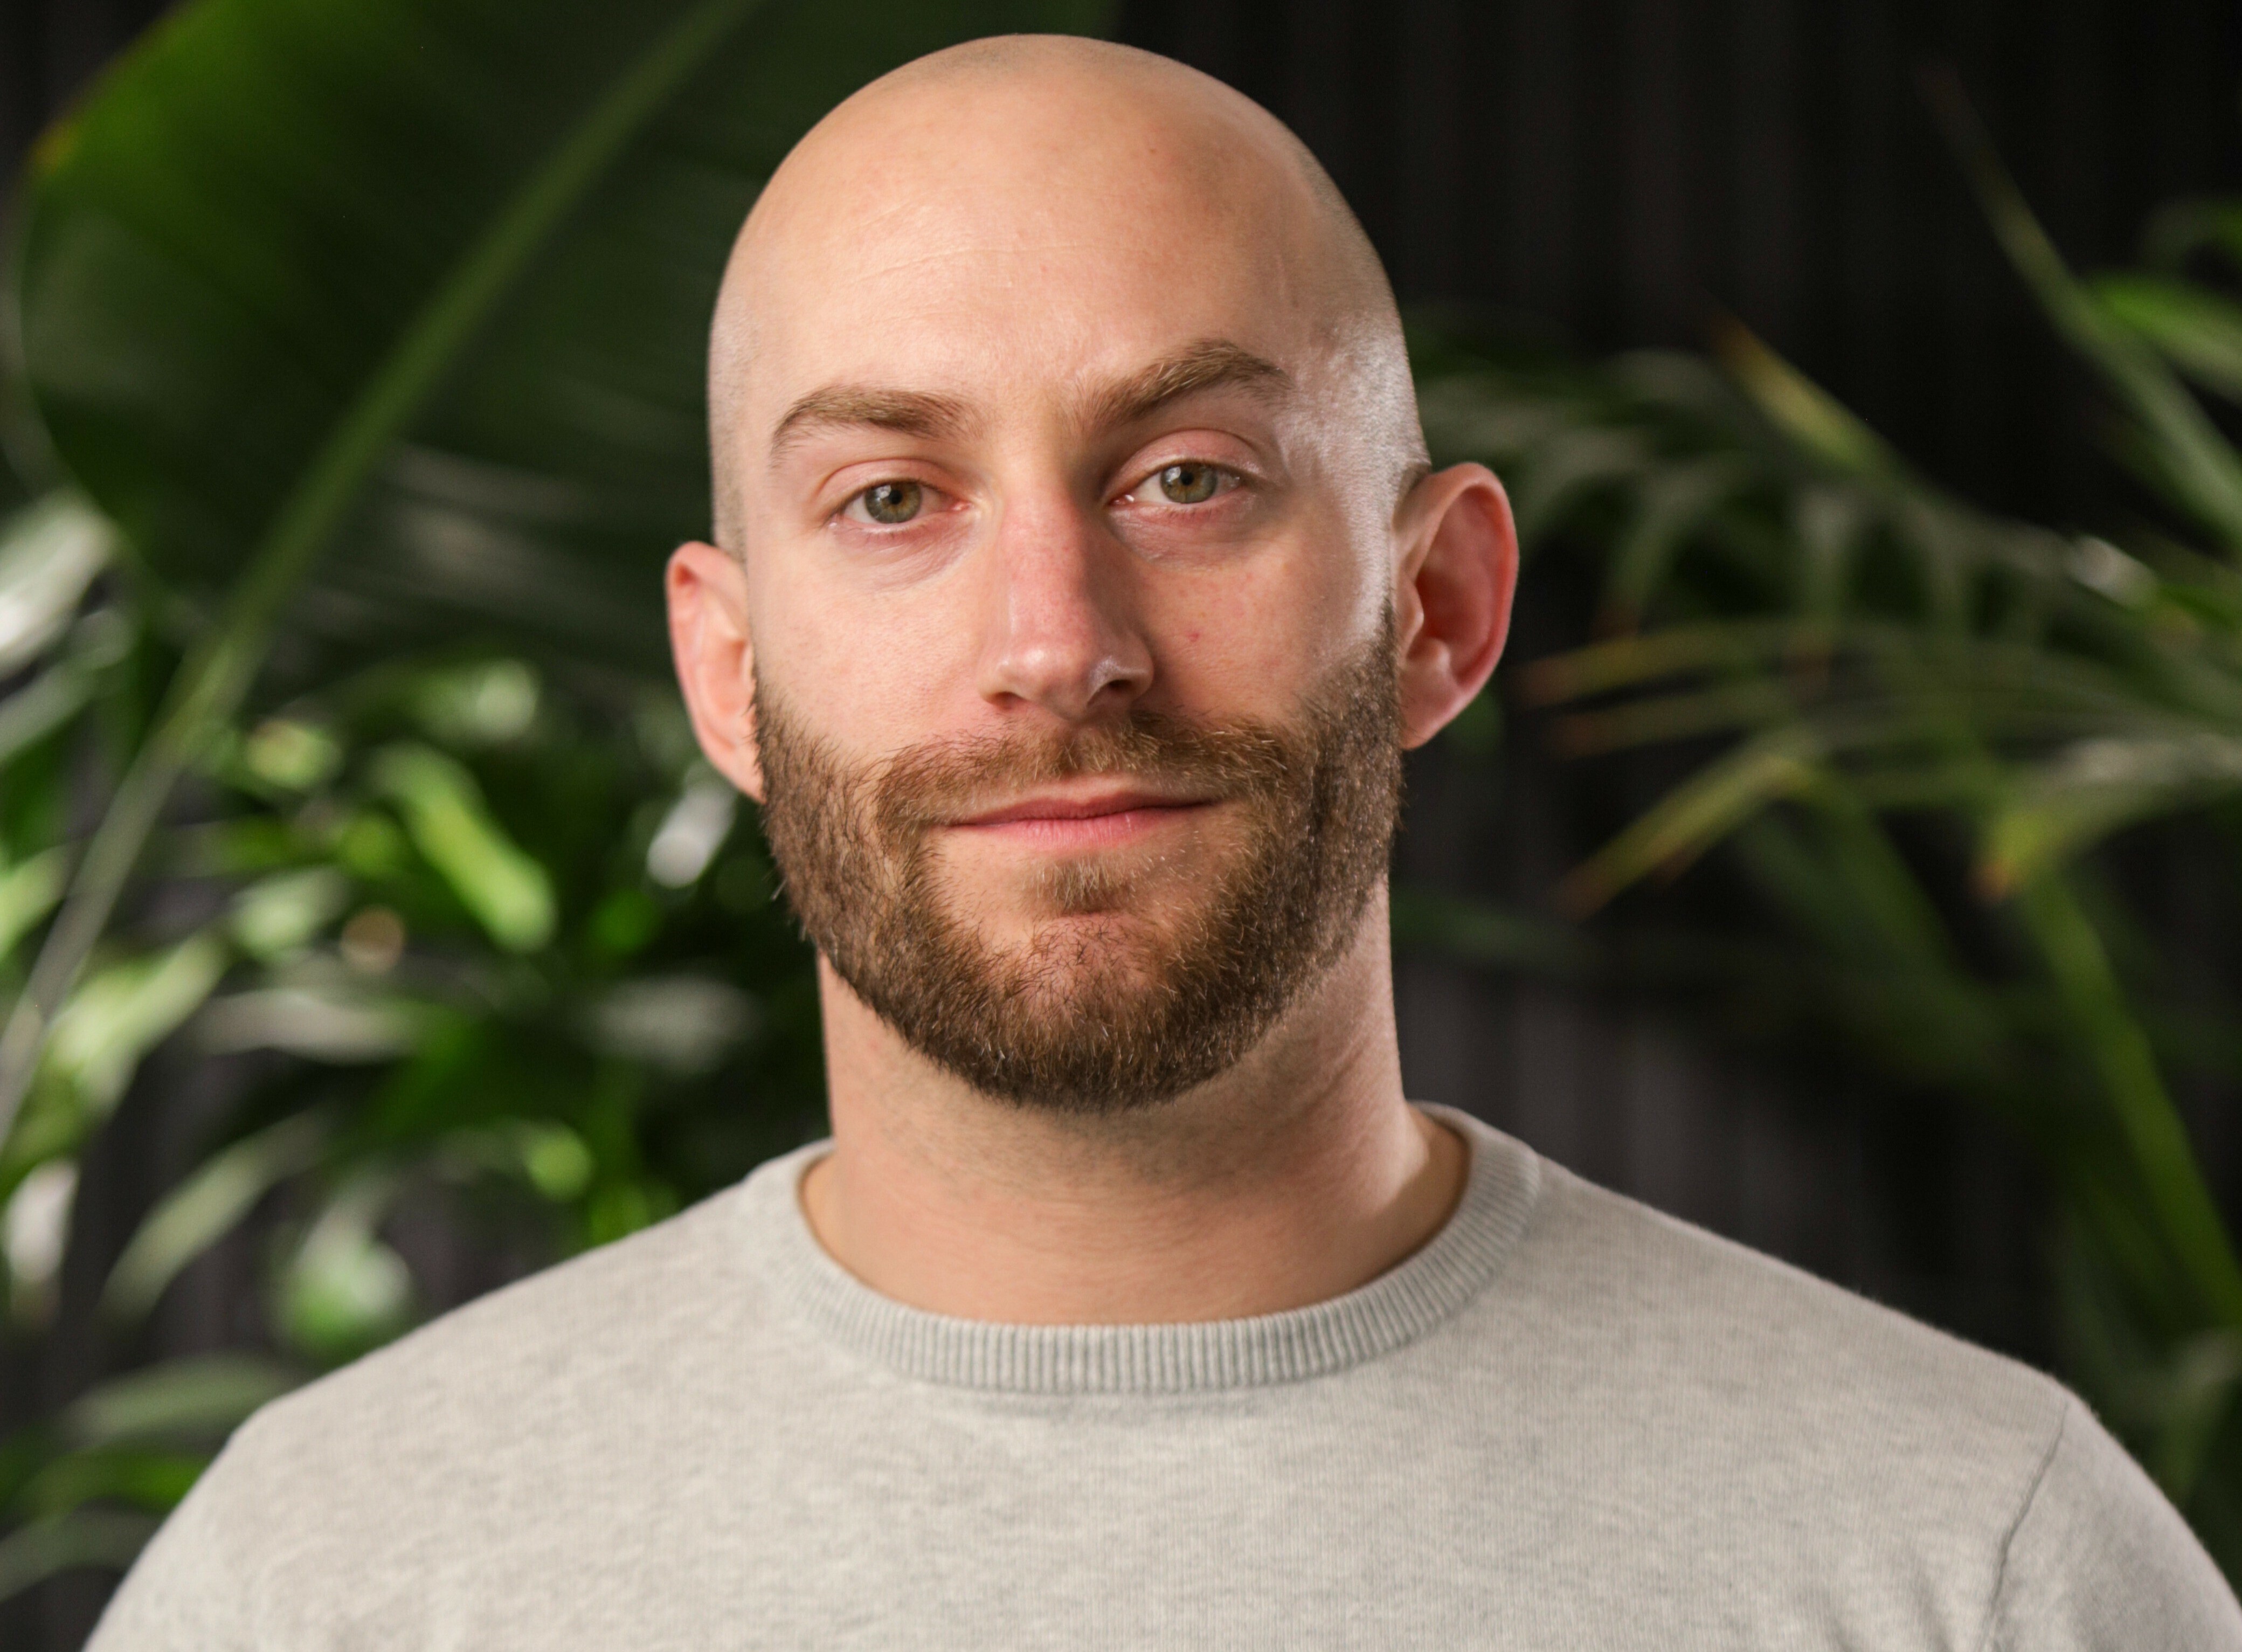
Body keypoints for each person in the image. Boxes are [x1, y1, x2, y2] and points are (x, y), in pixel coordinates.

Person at [91, 34, 2240, 1651]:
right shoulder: (331, 1578)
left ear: (1436, 606)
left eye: (1187, 475)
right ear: (726, 674)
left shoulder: (1974, 1563)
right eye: (893, 499)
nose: (1055, 647)